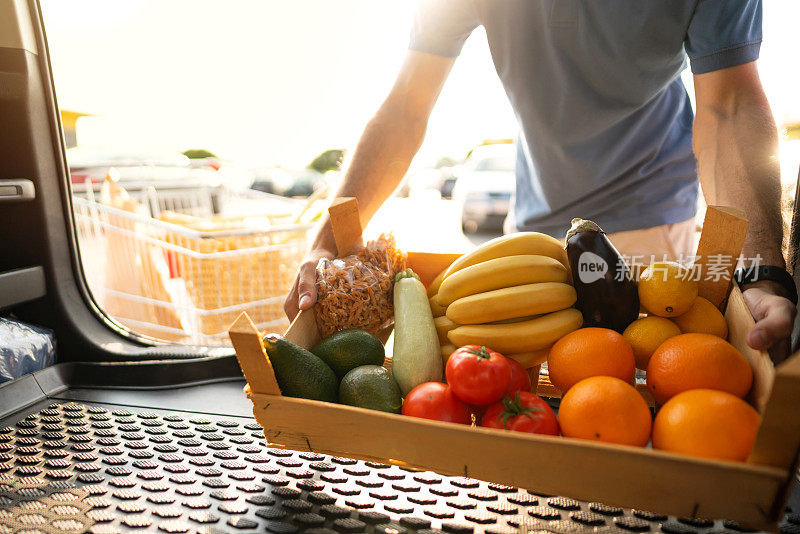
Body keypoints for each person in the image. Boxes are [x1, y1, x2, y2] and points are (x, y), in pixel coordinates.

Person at [286, 0, 796, 360]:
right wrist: (325, 247)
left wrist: (763, 272)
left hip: (651, 226)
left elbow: (729, 107)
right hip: (532, 230)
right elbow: (405, 107)